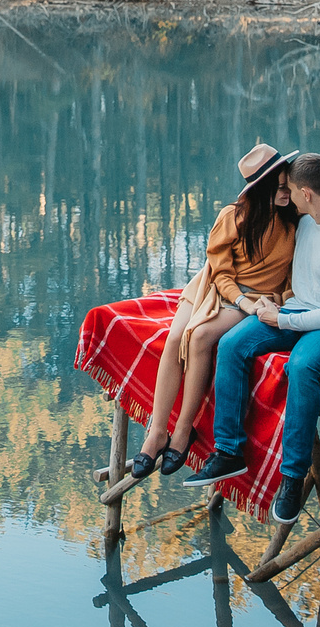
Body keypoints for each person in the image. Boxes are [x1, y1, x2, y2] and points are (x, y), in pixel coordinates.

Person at [185, 153, 320, 522]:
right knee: (232, 344)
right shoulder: (303, 220)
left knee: (302, 365)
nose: (283, 193)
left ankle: (292, 477)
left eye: (289, 188)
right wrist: (273, 312)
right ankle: (228, 451)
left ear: (305, 194)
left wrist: (280, 321)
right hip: (297, 311)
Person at [120, 144, 301, 478]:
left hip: (259, 297)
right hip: (216, 288)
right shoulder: (233, 217)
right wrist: (242, 302)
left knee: (200, 337)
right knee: (175, 339)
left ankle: (184, 432)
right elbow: (220, 273)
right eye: (278, 186)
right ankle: (157, 433)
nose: (286, 191)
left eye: (286, 181)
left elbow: (297, 269)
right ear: (260, 190)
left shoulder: (296, 222)